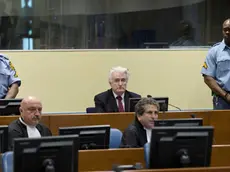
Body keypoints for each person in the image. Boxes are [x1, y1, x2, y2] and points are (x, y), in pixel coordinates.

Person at [201, 18, 230, 109]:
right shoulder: (214, 51)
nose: (228, 32)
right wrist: (226, 95)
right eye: (225, 29)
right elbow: (208, 78)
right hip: (223, 99)